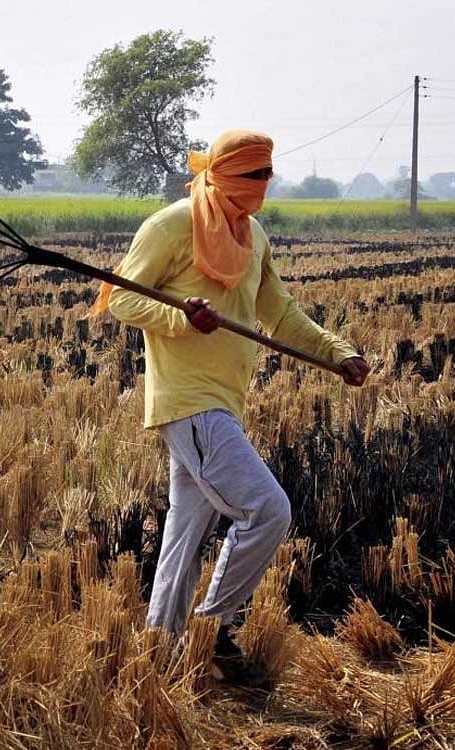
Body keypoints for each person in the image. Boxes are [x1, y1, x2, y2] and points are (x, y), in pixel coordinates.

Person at [95, 130, 369, 686]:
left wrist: (338, 352)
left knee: (185, 532)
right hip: (190, 401)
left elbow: (281, 313)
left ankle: (161, 647)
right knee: (268, 510)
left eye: (268, 174)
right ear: (224, 175)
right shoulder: (172, 225)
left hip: (224, 400)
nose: (264, 185)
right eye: (255, 176)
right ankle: (210, 629)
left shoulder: (252, 234)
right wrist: (180, 316)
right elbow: (120, 297)